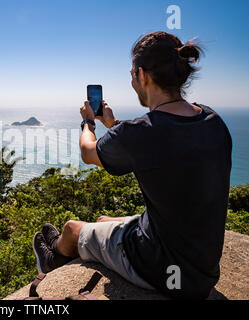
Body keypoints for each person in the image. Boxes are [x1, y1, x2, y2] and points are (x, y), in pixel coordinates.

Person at [32, 31, 232, 299]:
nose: (132, 81)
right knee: (103, 220)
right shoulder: (212, 120)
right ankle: (71, 245)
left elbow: (88, 152)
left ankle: (52, 259)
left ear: (143, 75)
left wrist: (88, 122)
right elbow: (161, 144)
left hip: (161, 268)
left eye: (131, 75)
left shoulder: (141, 133)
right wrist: (113, 126)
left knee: (71, 228)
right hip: (201, 270)